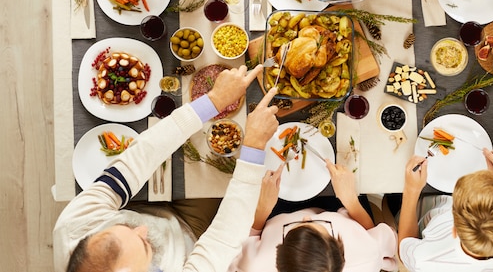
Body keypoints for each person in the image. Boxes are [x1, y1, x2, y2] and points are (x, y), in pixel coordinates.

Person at [53, 65, 280, 272]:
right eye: (143, 244)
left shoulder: (73, 227)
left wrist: (212, 102)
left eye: (124, 228)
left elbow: (135, 162)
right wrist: (253, 147)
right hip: (192, 236)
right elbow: (223, 239)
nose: (141, 229)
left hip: (143, 206)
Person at [227, 159, 397, 272]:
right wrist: (350, 199)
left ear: (278, 257)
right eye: (324, 230)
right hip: (336, 206)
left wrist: (263, 208)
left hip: (275, 212)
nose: (306, 218)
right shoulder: (366, 256)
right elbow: (375, 233)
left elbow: (245, 237)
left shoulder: (253, 266)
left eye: (299, 226)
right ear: (340, 250)